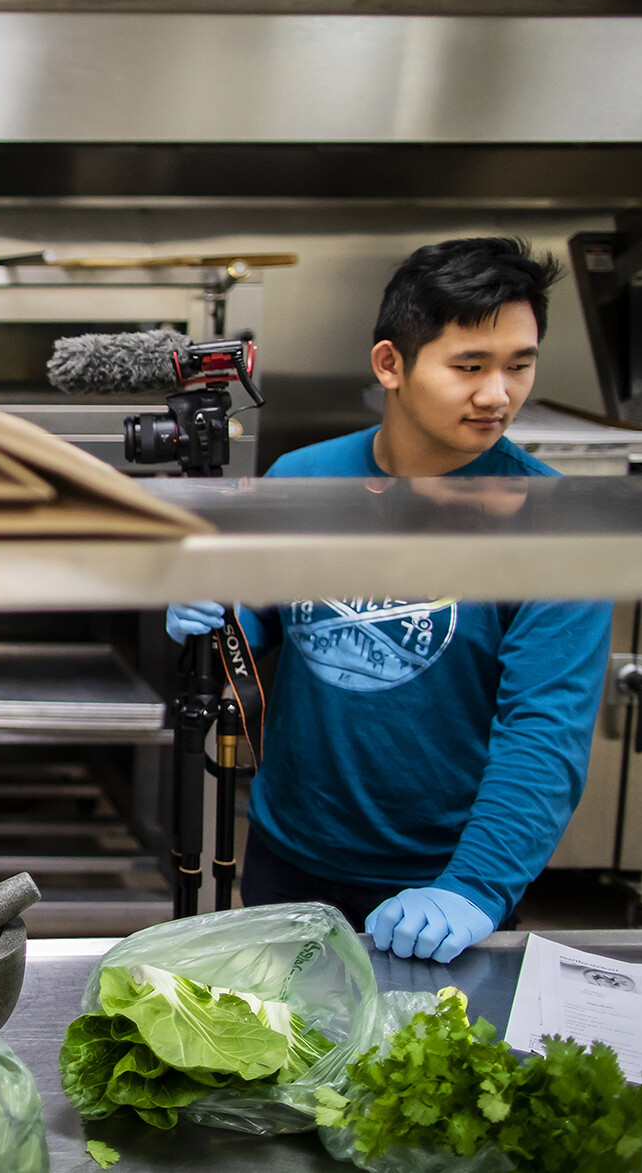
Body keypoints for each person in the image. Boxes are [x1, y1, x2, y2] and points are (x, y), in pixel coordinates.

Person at [167, 238, 612, 963]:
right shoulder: (306, 479)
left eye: (519, 365)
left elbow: (544, 730)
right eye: (470, 366)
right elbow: (260, 617)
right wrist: (216, 613)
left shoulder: (555, 523)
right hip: (288, 854)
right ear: (390, 364)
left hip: (440, 884)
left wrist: (475, 887)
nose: (498, 393)